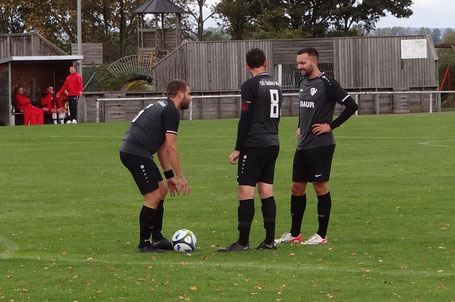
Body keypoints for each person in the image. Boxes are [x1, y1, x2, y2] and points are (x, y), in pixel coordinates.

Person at [275, 47, 358, 246]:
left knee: (319, 187)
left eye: (302, 63)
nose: (299, 67)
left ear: (314, 62)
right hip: (303, 144)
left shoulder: (328, 83)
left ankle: (321, 235)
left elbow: (352, 106)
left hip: (321, 145)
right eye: (298, 63)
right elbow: (304, 108)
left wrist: (331, 125)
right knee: (296, 187)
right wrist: (298, 126)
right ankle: (295, 234)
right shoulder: (302, 81)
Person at [218, 48, 282, 252]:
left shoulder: (249, 85)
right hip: (273, 141)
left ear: (247, 66)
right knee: (266, 190)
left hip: (255, 143)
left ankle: (243, 242)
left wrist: (238, 148)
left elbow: (245, 118)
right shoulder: (276, 85)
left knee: (246, 191)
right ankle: (270, 240)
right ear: (266, 62)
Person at [120, 79, 192, 253]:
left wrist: (169, 177)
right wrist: (180, 176)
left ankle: (157, 238)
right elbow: (171, 147)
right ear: (180, 94)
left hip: (139, 152)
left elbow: (161, 147)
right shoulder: (171, 111)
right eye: (189, 94)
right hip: (134, 152)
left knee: (162, 189)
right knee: (152, 197)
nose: (190, 98)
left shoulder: (164, 107)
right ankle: (144, 244)